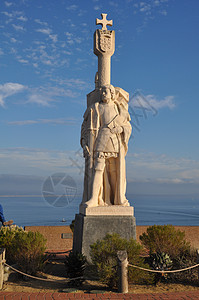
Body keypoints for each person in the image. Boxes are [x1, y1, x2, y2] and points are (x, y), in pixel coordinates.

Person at [80, 84, 132, 207]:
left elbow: (127, 126)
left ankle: (117, 198)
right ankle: (94, 199)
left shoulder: (119, 109)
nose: (103, 94)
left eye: (106, 92)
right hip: (101, 140)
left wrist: (120, 128)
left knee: (114, 172)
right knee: (98, 169)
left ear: (112, 94)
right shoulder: (96, 108)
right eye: (102, 92)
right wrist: (84, 143)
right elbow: (85, 127)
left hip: (115, 141)